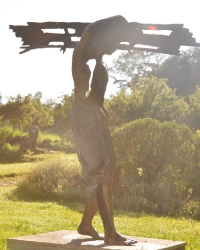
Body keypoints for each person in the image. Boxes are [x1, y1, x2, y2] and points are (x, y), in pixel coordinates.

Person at [71, 16, 137, 245]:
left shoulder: (101, 60)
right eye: (107, 45)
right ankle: (110, 233)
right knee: (104, 170)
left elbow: (96, 94)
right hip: (83, 119)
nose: (109, 49)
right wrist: (117, 19)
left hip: (95, 117)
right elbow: (89, 29)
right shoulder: (78, 58)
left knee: (110, 174)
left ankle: (86, 224)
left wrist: (99, 109)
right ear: (95, 42)